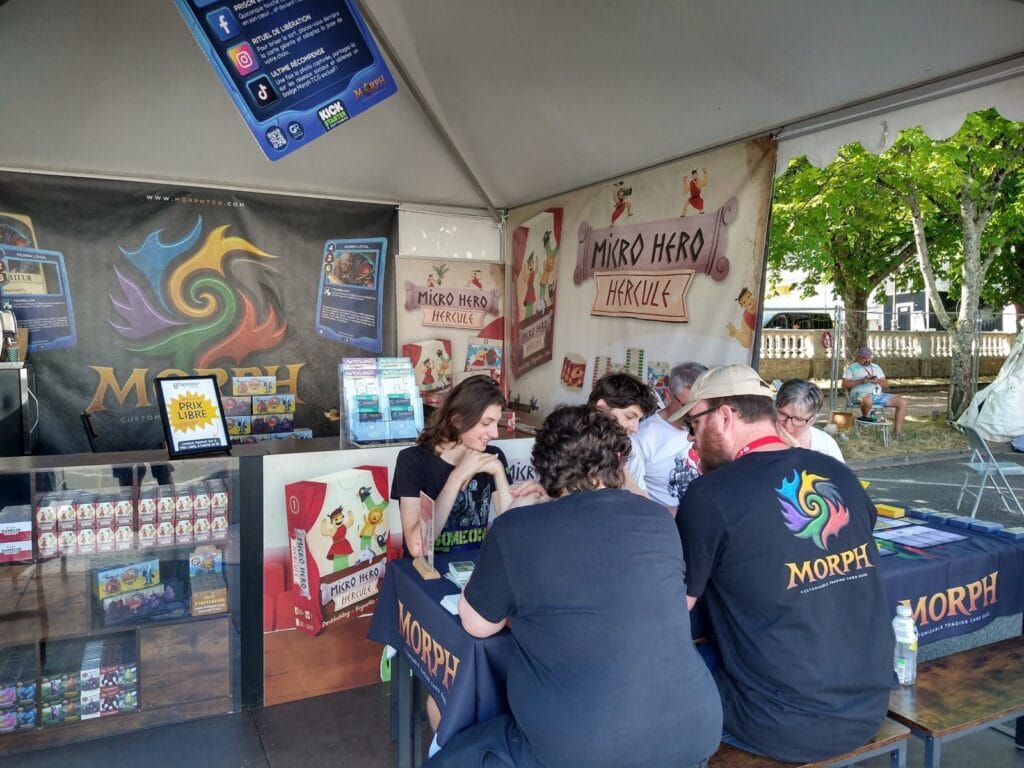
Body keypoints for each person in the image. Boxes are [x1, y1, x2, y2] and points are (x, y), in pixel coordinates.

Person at [426, 405, 722, 768]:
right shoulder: (657, 520)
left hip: (581, 748)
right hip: (694, 734)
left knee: (450, 752)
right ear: (617, 461)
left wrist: (526, 510)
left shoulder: (517, 529)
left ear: (544, 465)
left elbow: (477, 624)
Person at [674, 365, 894, 763]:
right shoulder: (839, 475)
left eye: (694, 424)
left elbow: (675, 609)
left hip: (777, 725)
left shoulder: (709, 496)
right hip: (867, 709)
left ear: (725, 416)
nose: (692, 437)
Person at [392, 374, 513, 558]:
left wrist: (498, 471)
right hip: (425, 572)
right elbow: (418, 547)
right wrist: (457, 477)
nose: (495, 433)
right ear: (458, 421)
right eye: (486, 423)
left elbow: (513, 533)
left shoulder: (492, 458)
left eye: (497, 423)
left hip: (476, 571)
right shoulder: (412, 461)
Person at [636, 361, 708, 514]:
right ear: (668, 396)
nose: (695, 412)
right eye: (687, 405)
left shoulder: (711, 427)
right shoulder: (645, 435)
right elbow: (633, 496)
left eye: (702, 404)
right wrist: (671, 513)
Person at [587, 371, 658, 497]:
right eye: (629, 417)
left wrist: (619, 462)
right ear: (602, 407)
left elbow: (642, 498)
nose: (635, 428)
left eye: (639, 420)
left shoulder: (630, 448)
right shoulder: (567, 441)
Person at [842, 346, 908, 436]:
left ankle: (897, 431)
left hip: (878, 395)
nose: (867, 360)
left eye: (869, 357)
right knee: (868, 400)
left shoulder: (876, 367)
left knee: (902, 402)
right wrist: (861, 381)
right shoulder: (851, 368)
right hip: (860, 395)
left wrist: (878, 381)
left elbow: (886, 384)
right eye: (864, 358)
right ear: (858, 357)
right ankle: (864, 423)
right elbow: (844, 385)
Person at [775, 378, 844, 462]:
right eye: (782, 414)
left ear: (812, 420)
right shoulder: (762, 437)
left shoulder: (826, 446)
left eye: (798, 419)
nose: (787, 426)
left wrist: (798, 452)